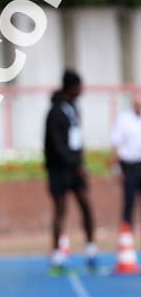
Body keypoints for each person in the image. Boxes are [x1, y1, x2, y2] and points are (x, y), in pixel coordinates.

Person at [44, 69, 97, 270]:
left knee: (85, 204)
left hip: (75, 167)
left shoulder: (74, 109)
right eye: (79, 86)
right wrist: (74, 164)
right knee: (60, 209)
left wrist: (80, 163)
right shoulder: (55, 112)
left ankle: (91, 249)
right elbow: (56, 145)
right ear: (71, 88)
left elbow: (76, 140)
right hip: (60, 169)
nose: (82, 90)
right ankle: (57, 253)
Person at [111, 91, 141, 230]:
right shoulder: (124, 119)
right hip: (129, 164)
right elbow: (116, 142)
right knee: (129, 199)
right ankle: (126, 230)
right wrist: (116, 168)